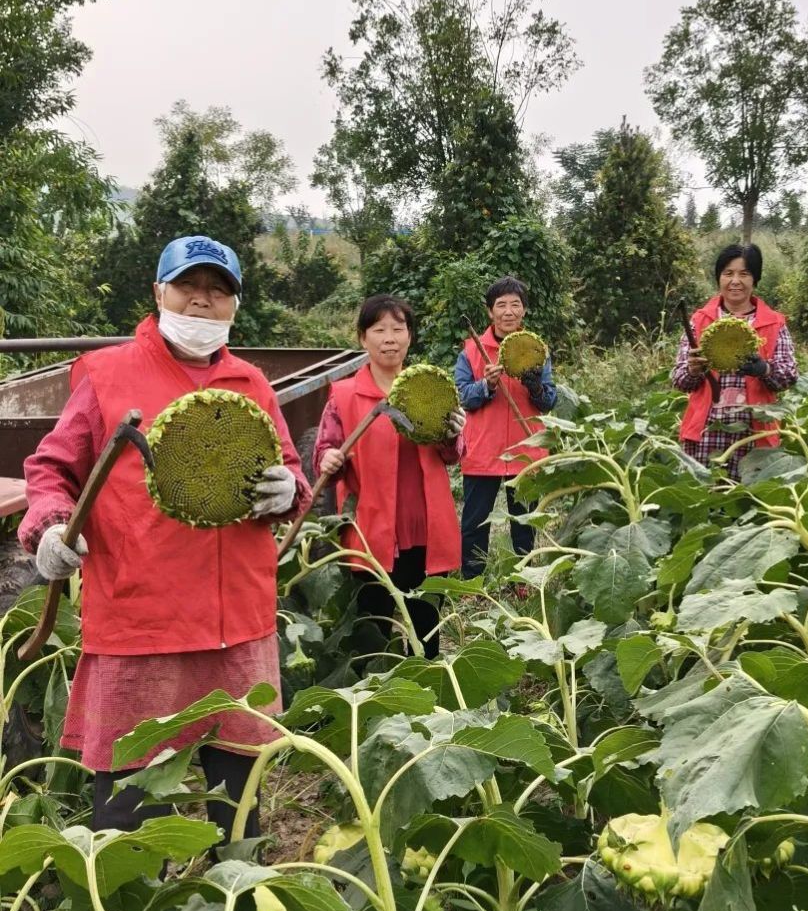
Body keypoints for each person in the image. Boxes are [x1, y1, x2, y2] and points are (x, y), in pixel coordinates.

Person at [17, 236, 313, 837]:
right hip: (142, 623)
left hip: (238, 624)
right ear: (159, 292)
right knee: (130, 803)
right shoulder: (106, 375)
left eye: (218, 291)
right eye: (189, 288)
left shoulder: (251, 383)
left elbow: (288, 469)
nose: (203, 303)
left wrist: (290, 490)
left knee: (240, 799)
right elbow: (52, 471)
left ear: (234, 304)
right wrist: (49, 527)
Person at [313, 295, 464, 660]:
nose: (390, 338)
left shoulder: (428, 390)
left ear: (410, 337)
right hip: (371, 533)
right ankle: (374, 703)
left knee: (426, 630)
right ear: (363, 338)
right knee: (373, 633)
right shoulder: (344, 396)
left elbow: (452, 455)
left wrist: (453, 433)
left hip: (425, 531)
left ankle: (426, 699)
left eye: (398, 329)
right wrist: (329, 459)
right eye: (379, 330)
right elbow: (324, 451)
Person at [455, 275, 557, 579]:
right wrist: (485, 385)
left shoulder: (536, 349)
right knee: (475, 523)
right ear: (490, 312)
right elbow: (462, 396)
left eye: (515, 305)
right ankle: (473, 582)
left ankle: (524, 581)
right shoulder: (471, 351)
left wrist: (535, 385)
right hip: (482, 452)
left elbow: (549, 401)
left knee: (524, 523)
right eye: (501, 305)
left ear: (524, 311)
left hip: (526, 451)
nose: (508, 311)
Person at [672, 242, 798, 479]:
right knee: (703, 497)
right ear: (719, 278)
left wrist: (764, 369)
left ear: (755, 279)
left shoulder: (773, 323)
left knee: (749, 502)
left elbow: (789, 375)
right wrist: (693, 369)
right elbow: (679, 379)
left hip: (754, 434)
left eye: (744, 274)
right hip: (706, 432)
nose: (735, 281)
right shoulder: (700, 321)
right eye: (728, 273)